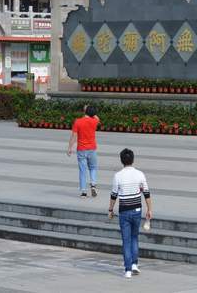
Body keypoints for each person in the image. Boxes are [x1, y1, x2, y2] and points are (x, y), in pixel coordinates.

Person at [109, 148, 152, 279]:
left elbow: (114, 195)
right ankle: (134, 264)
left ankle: (128, 270)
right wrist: (149, 209)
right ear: (132, 160)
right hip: (137, 211)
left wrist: (110, 210)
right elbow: (146, 193)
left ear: (122, 160)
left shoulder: (118, 176)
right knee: (134, 238)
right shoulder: (140, 174)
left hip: (124, 212)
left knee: (126, 240)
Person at [67, 105, 100, 198]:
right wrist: (89, 110)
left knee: (82, 171)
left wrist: (70, 148)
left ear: (84, 111)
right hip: (92, 149)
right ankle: (93, 184)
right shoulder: (94, 121)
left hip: (81, 149)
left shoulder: (78, 122)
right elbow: (96, 117)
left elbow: (73, 136)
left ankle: (83, 192)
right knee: (93, 168)